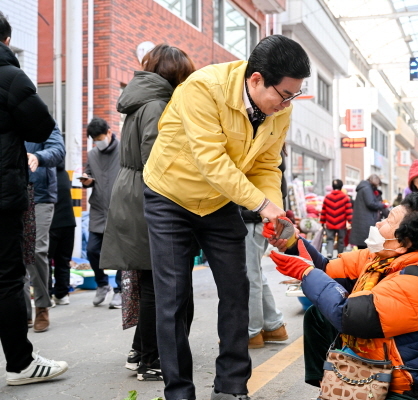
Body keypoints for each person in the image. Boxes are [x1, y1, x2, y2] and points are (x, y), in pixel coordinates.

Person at [142, 34, 311, 400]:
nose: (287, 105)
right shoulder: (202, 88)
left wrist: (272, 207)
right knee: (173, 297)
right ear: (255, 80)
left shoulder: (280, 109)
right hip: (170, 195)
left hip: (218, 201)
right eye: (284, 94)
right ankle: (178, 392)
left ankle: (232, 387)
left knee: (237, 287)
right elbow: (211, 162)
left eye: (294, 96)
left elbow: (268, 163)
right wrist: (261, 206)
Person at [268, 193, 418, 399]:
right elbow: (326, 268)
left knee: (337, 312)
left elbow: (350, 317)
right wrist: (291, 241)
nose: (379, 223)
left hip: (407, 385)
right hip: (380, 366)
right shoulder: (383, 258)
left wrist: (306, 273)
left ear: (403, 242)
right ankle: (333, 383)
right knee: (317, 315)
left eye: (389, 220)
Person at [100, 44, 196, 381]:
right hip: (148, 194)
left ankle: (141, 351)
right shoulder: (158, 105)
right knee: (161, 284)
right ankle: (153, 358)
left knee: (149, 280)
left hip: (132, 191)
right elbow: (158, 161)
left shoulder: (141, 99)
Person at [0, 11, 69, 385]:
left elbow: (50, 142)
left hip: (33, 193)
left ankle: (40, 311)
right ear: (7, 41)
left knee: (32, 257)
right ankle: (21, 364)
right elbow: (41, 124)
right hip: (4, 196)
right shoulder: (10, 76)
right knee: (8, 277)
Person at [242, 148, 288, 350]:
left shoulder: (262, 143)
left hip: (251, 216)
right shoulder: (274, 144)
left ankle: (252, 331)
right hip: (257, 217)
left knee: (249, 275)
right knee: (255, 273)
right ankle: (273, 325)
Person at [24, 124, 66, 332]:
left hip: (40, 194)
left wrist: (38, 157)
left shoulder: (43, 121)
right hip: (12, 192)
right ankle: (22, 310)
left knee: (36, 250)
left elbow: (58, 150)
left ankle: (42, 305)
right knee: (14, 254)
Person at [79, 117, 121, 308]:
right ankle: (102, 284)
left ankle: (120, 290)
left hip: (120, 209)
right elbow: (89, 174)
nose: (98, 142)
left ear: (109, 132)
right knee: (92, 250)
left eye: (100, 138)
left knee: (121, 252)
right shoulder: (93, 154)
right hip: (98, 209)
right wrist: (86, 180)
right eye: (95, 139)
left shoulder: (124, 151)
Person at [48, 159, 77, 305]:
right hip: (68, 222)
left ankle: (47, 295)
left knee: (46, 261)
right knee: (63, 261)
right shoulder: (65, 174)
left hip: (51, 224)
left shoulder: (45, 174)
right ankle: (61, 294)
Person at [349, 174, 387, 249]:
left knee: (362, 248)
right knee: (366, 249)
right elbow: (370, 203)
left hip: (361, 221)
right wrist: (382, 205)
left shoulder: (364, 187)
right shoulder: (367, 188)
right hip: (365, 222)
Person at [319, 179, 352, 258]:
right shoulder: (345, 198)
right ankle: (339, 254)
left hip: (330, 223)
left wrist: (322, 222)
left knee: (330, 239)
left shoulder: (327, 197)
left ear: (332, 187)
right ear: (341, 187)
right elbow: (349, 211)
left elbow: (324, 211)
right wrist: (350, 222)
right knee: (341, 240)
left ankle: (329, 253)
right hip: (341, 223)